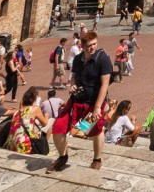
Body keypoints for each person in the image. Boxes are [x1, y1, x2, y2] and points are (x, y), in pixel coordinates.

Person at [46, 31, 112, 173]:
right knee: (58, 126)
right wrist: (72, 85)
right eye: (89, 45)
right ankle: (63, 156)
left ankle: (97, 159)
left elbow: (105, 84)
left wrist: (97, 107)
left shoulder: (103, 59)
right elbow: (74, 77)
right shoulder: (77, 59)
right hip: (77, 101)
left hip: (94, 103)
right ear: (82, 46)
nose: (93, 47)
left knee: (95, 129)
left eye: (95, 44)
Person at [6, 87, 49, 153]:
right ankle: (44, 147)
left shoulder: (18, 111)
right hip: (25, 145)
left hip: (12, 144)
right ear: (34, 99)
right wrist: (46, 115)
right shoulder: (35, 109)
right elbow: (44, 123)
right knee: (50, 124)